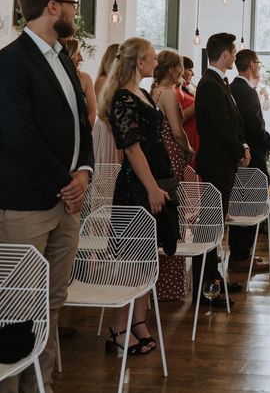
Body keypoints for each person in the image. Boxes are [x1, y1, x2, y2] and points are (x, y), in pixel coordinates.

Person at [0, 0, 93, 393]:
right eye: (72, 3)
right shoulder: (11, 61)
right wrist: (65, 182)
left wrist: (85, 172)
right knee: (17, 302)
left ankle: (41, 383)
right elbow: (19, 135)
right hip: (27, 201)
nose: (76, 10)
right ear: (52, 7)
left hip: (67, 202)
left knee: (53, 301)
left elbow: (82, 125)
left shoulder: (61, 58)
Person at [100, 37, 172, 355]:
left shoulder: (141, 93)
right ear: (139, 62)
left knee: (147, 259)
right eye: (152, 58)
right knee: (131, 260)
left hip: (153, 182)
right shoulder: (123, 99)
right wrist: (152, 188)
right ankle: (117, 328)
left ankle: (138, 321)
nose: (156, 63)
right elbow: (131, 148)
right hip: (136, 188)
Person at [193, 33, 249, 301]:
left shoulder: (217, 82)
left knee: (215, 226)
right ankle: (204, 290)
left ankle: (214, 281)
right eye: (233, 52)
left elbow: (230, 122)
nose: (235, 57)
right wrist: (240, 150)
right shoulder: (209, 84)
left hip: (221, 163)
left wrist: (241, 148)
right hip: (216, 164)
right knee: (209, 227)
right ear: (225, 54)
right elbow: (222, 125)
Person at [151, 50, 194, 301]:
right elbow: (177, 131)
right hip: (171, 155)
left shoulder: (153, 91)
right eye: (179, 68)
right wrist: (188, 149)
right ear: (171, 71)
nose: (181, 72)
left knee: (164, 213)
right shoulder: (167, 93)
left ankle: (158, 283)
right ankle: (169, 287)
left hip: (159, 155)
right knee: (173, 214)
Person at [229, 49, 270, 273]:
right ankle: (240, 256)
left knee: (243, 203)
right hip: (252, 155)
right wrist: (269, 142)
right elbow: (255, 125)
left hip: (243, 155)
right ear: (252, 65)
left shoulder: (234, 88)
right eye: (259, 63)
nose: (260, 67)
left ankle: (243, 253)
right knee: (248, 204)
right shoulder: (245, 91)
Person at [92, 44, 124, 171]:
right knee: (107, 168)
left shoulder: (117, 81)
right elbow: (101, 109)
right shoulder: (103, 80)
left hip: (115, 128)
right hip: (107, 128)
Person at [62, 38, 97, 128]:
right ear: (68, 55)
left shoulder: (86, 78)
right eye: (77, 54)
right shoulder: (56, 78)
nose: (81, 59)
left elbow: (92, 111)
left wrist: (85, 134)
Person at [176, 55, 199, 158]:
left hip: (194, 136)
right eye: (190, 69)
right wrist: (198, 102)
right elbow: (177, 118)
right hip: (187, 137)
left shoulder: (185, 90)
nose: (192, 73)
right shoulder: (175, 92)